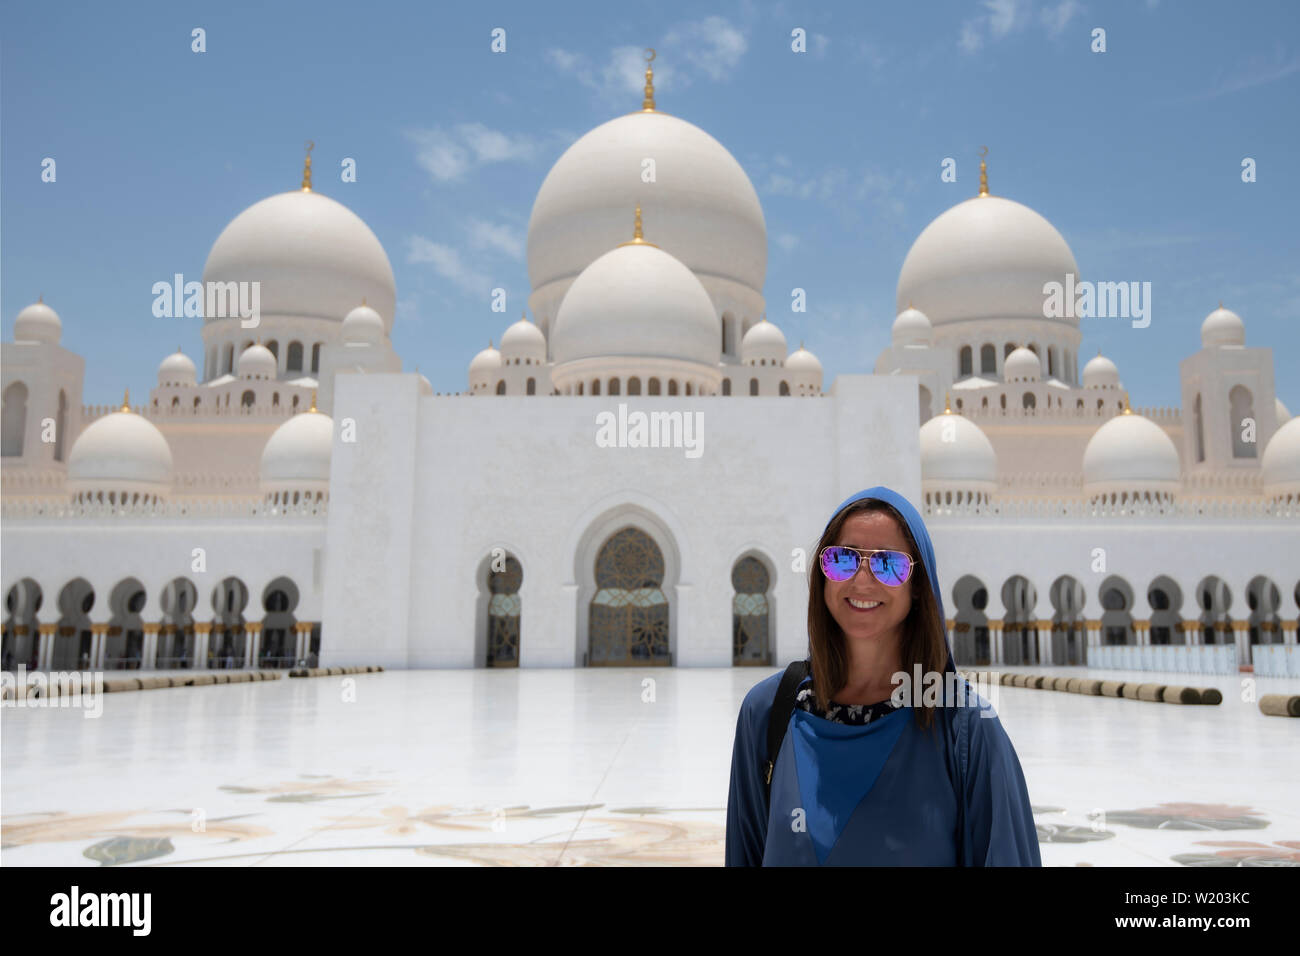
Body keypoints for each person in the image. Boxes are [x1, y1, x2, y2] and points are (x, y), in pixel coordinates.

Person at [725, 486, 1041, 866]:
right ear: (822, 575)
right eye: (842, 559)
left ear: (919, 588)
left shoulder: (964, 727)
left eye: (888, 564)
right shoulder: (769, 713)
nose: (861, 580)